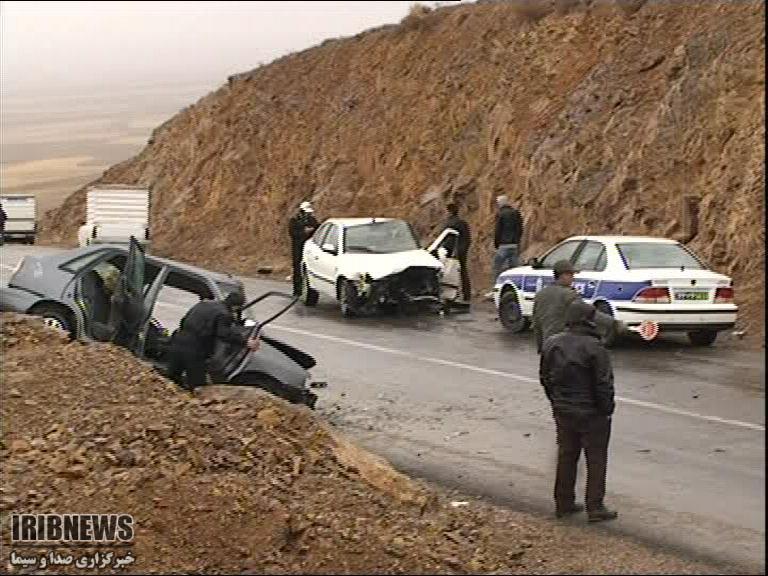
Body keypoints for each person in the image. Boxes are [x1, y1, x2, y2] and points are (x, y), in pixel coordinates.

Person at [539, 300, 618, 523]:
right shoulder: (595, 347)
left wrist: (556, 401)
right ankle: (595, 506)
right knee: (596, 458)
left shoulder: (552, 343)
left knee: (566, 455)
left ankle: (563, 502)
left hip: (563, 410)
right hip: (591, 412)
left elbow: (545, 377)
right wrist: (606, 409)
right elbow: (603, 384)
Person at [166, 292, 260, 391]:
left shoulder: (203, 304)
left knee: (172, 377)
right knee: (197, 385)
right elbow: (224, 333)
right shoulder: (224, 314)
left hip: (177, 342)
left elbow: (183, 320)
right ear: (235, 307)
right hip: (195, 350)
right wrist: (246, 341)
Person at [532, 260, 621, 354]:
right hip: (564, 346)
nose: (573, 278)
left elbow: (536, 323)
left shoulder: (540, 294)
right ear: (563, 275)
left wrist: (541, 348)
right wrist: (614, 323)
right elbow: (590, 313)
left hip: (548, 346)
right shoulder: (569, 295)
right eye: (571, 275)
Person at [288, 201, 319, 296]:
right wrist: (304, 232)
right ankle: (297, 291)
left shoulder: (312, 220)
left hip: (309, 248)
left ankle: (309, 290)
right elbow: (293, 233)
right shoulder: (294, 220)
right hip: (297, 247)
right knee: (297, 268)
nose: (308, 214)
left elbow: (317, 229)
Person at [492, 195, 523, 284]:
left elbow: (498, 230)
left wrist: (496, 243)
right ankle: (515, 285)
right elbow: (520, 228)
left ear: (500, 204)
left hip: (503, 244)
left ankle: (497, 286)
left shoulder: (500, 214)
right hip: (515, 244)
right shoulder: (516, 213)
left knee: (497, 267)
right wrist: (517, 240)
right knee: (514, 268)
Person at [444, 202, 472, 302]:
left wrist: (446, 250)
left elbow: (447, 240)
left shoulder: (450, 223)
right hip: (461, 250)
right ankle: (466, 294)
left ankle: (451, 294)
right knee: (463, 272)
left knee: (448, 274)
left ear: (449, 212)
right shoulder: (462, 222)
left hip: (453, 252)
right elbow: (468, 238)